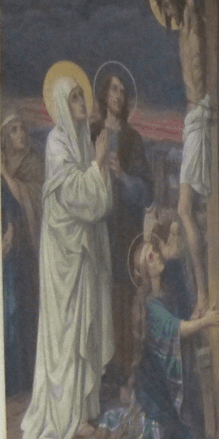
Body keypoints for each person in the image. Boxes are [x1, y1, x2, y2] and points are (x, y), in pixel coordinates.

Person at [20, 65, 115, 439]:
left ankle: (82, 407)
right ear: (60, 103)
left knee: (83, 329)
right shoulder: (57, 143)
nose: (82, 102)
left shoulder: (77, 139)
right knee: (66, 333)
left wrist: (98, 163)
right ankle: (65, 415)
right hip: (64, 256)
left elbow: (99, 205)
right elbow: (74, 195)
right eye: (74, 97)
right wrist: (97, 163)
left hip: (81, 252)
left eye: (81, 96)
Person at [112, 226, 219, 439]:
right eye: (150, 258)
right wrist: (205, 321)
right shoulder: (150, 304)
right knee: (172, 438)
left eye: (156, 253)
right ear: (144, 271)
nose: (157, 257)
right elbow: (178, 330)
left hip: (167, 377)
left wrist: (195, 319)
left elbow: (178, 323)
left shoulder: (166, 292)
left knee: (189, 438)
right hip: (156, 383)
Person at [154, 0, 212, 312]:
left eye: (167, 2)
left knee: (184, 209)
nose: (167, 10)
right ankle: (201, 291)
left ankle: (203, 293)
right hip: (193, 119)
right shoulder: (183, 30)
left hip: (198, 117)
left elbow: (192, 13)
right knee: (185, 210)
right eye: (162, 5)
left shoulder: (192, 22)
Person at [91, 68, 154, 384]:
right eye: (113, 89)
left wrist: (122, 177)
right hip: (96, 229)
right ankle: (100, 373)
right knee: (98, 297)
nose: (118, 95)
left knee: (124, 295)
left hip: (125, 230)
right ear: (104, 94)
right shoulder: (91, 133)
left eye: (122, 91)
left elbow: (146, 191)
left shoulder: (132, 138)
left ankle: (126, 369)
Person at [0, 109, 45, 395]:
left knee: (29, 309)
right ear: (6, 135)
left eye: (23, 129)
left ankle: (29, 379)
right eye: (14, 129)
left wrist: (4, 172)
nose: (20, 134)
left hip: (28, 245)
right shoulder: (5, 163)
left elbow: (25, 195)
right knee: (10, 311)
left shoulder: (34, 163)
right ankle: (12, 380)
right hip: (8, 248)